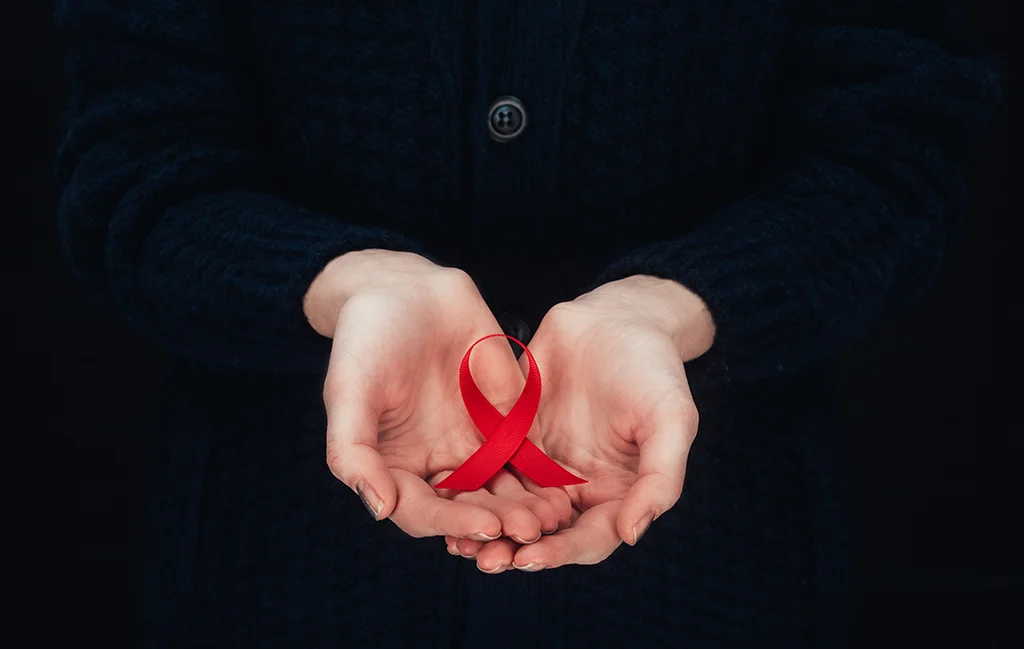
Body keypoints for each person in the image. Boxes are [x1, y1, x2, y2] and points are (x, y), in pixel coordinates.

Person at [55, 1, 1000, 647]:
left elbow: (893, 155)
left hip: (723, 583)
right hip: (274, 582)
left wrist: (676, 307)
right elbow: (136, 162)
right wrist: (339, 284)